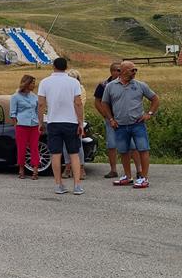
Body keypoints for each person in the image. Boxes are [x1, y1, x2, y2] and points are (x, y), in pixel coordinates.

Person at [101, 61, 160, 189]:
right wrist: (110, 119)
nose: (134, 72)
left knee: (143, 149)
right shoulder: (110, 86)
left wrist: (149, 114)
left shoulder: (140, 85)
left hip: (137, 124)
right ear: (122, 71)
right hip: (120, 125)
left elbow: (155, 99)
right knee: (123, 151)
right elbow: (104, 103)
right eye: (131, 70)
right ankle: (128, 176)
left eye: (135, 70)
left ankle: (144, 177)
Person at [37, 56, 85, 196]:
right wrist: (80, 122)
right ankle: (77, 185)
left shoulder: (45, 82)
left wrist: (40, 122)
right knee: (74, 153)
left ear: (54, 66)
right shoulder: (74, 82)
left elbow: (41, 104)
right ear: (66, 67)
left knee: (56, 154)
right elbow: (78, 103)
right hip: (71, 121)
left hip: (53, 121)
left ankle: (58, 184)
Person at [94, 62, 142, 180]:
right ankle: (113, 170)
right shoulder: (103, 85)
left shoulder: (130, 83)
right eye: (117, 70)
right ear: (112, 72)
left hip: (125, 119)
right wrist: (106, 115)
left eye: (121, 70)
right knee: (111, 144)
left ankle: (139, 170)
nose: (120, 72)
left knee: (132, 145)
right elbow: (98, 101)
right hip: (111, 119)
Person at [9, 74, 40, 180]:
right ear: (26, 83)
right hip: (21, 125)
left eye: (34, 83)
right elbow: (13, 113)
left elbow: (37, 111)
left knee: (34, 148)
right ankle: (21, 169)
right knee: (21, 148)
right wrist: (15, 125)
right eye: (32, 83)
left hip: (34, 125)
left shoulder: (35, 97)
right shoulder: (15, 97)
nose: (34, 85)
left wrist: (40, 123)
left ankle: (35, 169)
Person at [63, 69, 87, 181]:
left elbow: (80, 103)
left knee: (78, 144)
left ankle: (81, 168)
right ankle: (68, 166)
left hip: (77, 119)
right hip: (64, 118)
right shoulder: (63, 89)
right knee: (65, 144)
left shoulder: (81, 89)